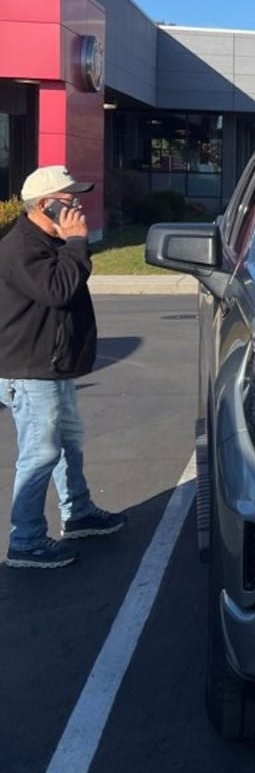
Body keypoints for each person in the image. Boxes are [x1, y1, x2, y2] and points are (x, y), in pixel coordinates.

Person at [0, 164, 125, 569]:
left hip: (51, 366)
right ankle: (27, 540)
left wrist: (70, 243)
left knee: (67, 443)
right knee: (40, 454)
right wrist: (75, 241)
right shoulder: (21, 247)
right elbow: (58, 290)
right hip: (30, 369)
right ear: (46, 206)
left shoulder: (44, 242)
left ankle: (79, 512)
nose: (78, 209)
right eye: (70, 202)